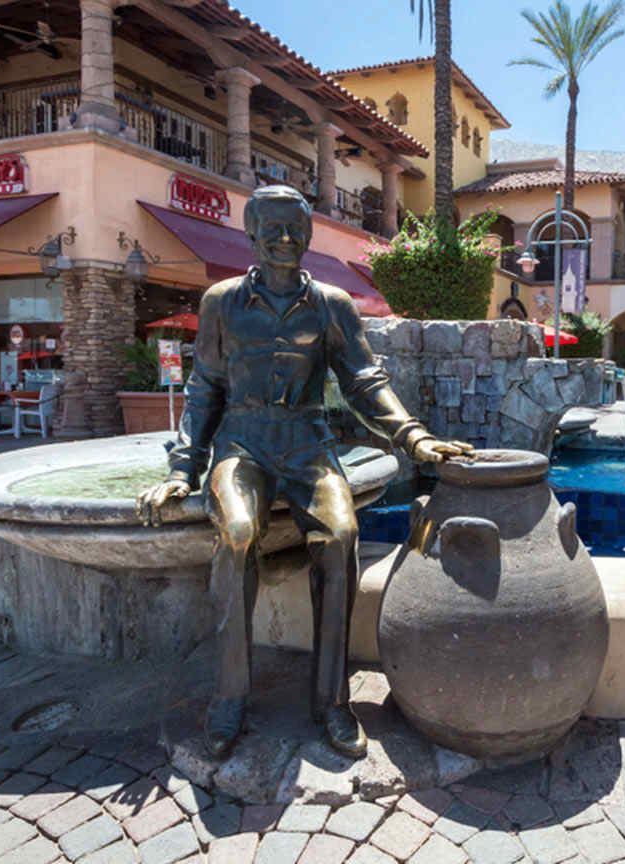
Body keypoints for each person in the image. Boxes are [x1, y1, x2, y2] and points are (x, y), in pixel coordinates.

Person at [135, 186, 472, 759]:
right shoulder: (221, 302)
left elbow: (365, 381)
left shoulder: (333, 305)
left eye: (296, 227)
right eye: (272, 227)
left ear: (310, 235)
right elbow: (204, 388)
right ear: (250, 234)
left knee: (340, 538)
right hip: (242, 444)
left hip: (308, 447)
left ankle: (331, 701)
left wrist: (413, 437)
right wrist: (185, 468)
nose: (286, 238)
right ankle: (230, 698)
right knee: (238, 536)